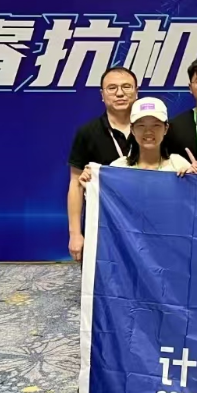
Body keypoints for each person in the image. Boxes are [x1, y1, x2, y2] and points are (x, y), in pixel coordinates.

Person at [66, 66, 138, 262]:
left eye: (126, 87)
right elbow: (75, 183)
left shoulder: (152, 129)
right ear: (102, 95)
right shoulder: (88, 132)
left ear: (136, 91)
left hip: (144, 222)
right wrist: (75, 234)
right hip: (102, 223)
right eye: (112, 88)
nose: (120, 93)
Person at [78, 98, 197, 184]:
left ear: (166, 129)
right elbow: (105, 202)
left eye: (156, 125)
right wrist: (91, 181)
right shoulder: (118, 168)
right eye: (141, 126)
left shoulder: (178, 164)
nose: (148, 131)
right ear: (132, 129)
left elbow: (195, 201)